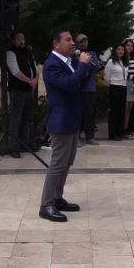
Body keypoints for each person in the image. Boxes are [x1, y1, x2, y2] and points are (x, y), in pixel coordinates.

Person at [39, 29, 92, 222]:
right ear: (56, 44)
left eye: (72, 40)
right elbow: (69, 84)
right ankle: (46, 205)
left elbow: (80, 82)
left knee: (67, 162)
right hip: (60, 121)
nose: (72, 43)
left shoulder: (69, 61)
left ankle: (57, 198)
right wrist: (82, 66)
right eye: (68, 40)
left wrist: (85, 66)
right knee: (57, 164)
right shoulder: (52, 64)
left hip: (72, 119)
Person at [5, 31, 38, 158]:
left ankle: (25, 143)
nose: (21, 41)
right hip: (17, 90)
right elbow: (15, 71)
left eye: (23, 39)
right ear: (13, 41)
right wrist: (29, 80)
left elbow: (35, 67)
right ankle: (13, 147)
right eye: (18, 39)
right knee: (15, 119)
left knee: (27, 117)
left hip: (29, 90)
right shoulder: (10, 52)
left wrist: (35, 79)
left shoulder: (28, 52)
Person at [75, 34, 102, 145]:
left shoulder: (92, 54)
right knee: (77, 113)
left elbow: (96, 66)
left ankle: (90, 136)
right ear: (77, 43)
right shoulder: (74, 54)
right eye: (81, 42)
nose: (83, 43)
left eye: (85, 41)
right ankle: (76, 137)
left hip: (89, 88)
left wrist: (86, 65)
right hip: (77, 87)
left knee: (89, 113)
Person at [105, 44, 128, 141]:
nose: (121, 51)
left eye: (122, 50)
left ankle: (120, 132)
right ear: (115, 51)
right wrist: (111, 86)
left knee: (122, 111)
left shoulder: (124, 62)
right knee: (114, 111)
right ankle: (112, 134)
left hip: (123, 87)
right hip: (114, 87)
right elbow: (107, 76)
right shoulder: (111, 62)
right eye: (118, 49)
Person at [123, 39, 134, 138]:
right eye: (127, 45)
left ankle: (126, 128)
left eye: (131, 46)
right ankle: (122, 128)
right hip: (124, 84)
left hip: (133, 85)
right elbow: (124, 74)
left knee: (130, 109)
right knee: (124, 108)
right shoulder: (122, 58)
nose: (129, 47)